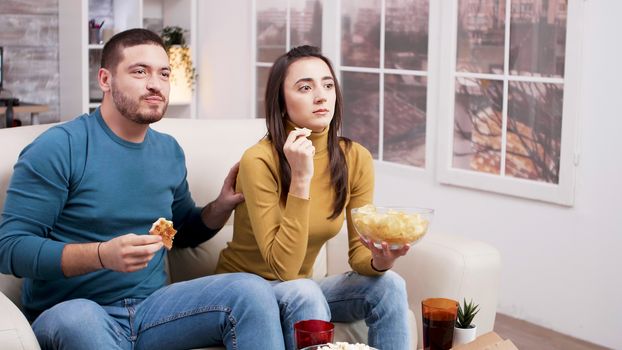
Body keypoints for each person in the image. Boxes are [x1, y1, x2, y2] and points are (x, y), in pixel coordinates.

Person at [0, 28, 285, 350]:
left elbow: (178, 233)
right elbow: (10, 248)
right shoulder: (59, 147)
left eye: (164, 73)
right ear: (105, 80)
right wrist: (101, 255)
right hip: (71, 311)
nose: (155, 84)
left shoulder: (169, 151)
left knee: (250, 291)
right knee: (79, 318)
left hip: (153, 309)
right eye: (139, 71)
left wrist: (219, 207)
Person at [215, 45, 411, 350]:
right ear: (281, 104)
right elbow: (285, 270)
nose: (321, 95)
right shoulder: (259, 160)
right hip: (250, 292)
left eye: (328, 85)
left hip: (303, 287)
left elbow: (359, 255)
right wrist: (301, 177)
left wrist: (379, 260)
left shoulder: (355, 158)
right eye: (305, 87)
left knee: (390, 285)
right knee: (304, 291)